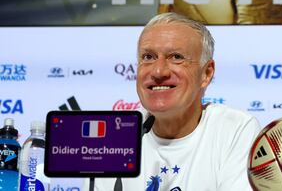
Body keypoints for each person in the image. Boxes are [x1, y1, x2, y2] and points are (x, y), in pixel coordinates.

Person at [83, 12, 261, 190]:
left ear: (206, 73)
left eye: (176, 57)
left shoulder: (235, 129)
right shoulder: (115, 134)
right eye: (148, 57)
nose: (159, 71)